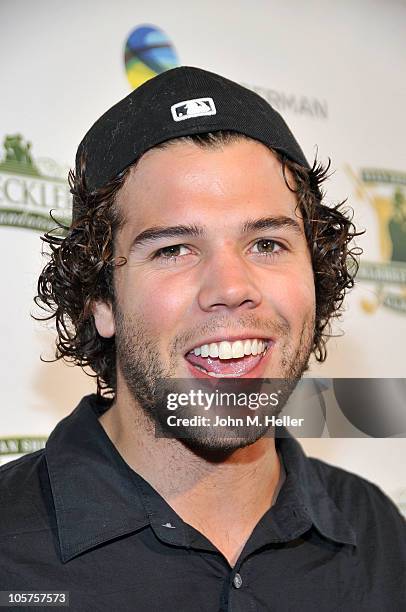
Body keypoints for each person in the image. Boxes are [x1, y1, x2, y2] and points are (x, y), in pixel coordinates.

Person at [0, 66, 404, 611]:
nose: (232, 288)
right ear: (101, 302)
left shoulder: (377, 532)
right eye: (173, 249)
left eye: (266, 243)